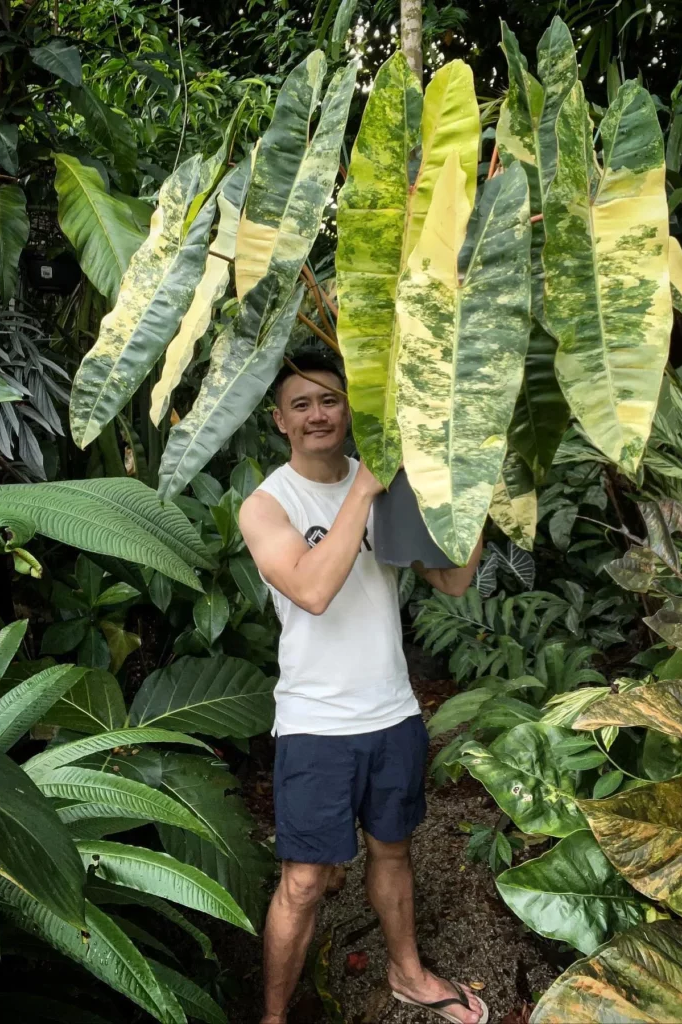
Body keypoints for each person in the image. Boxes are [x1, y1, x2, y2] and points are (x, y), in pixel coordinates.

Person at [239, 352, 486, 1024]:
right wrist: (364, 490)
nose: (318, 414)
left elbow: (453, 582)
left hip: (390, 711)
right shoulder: (266, 506)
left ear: (350, 411)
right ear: (280, 421)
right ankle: (273, 1017)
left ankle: (406, 974)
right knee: (305, 880)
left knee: (393, 850)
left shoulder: (383, 488)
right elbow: (313, 590)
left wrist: (473, 487)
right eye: (302, 404)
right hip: (316, 723)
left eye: (330, 401)